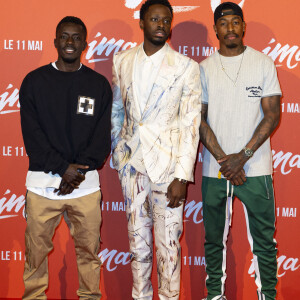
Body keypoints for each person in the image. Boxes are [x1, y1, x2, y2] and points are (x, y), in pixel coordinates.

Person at [111, 0, 201, 299]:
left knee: (169, 249)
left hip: (169, 170)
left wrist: (182, 175)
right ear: (142, 22)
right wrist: (121, 158)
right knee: (138, 247)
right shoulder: (122, 61)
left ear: (170, 24)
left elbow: (190, 125)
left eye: (165, 19)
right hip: (132, 167)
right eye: (154, 19)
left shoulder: (187, 67)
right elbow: (116, 112)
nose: (160, 24)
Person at [19, 16, 112, 299]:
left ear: (85, 43)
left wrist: (76, 174)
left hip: (84, 188)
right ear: (55, 40)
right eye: (64, 37)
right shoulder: (34, 82)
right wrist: (63, 169)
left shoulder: (98, 85)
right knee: (35, 256)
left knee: (89, 254)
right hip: (41, 186)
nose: (70, 43)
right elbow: (33, 138)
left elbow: (101, 139)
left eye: (76, 38)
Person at [199, 2, 281, 300]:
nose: (230, 28)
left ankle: (267, 296)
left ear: (243, 26)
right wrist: (224, 160)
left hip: (256, 168)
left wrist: (243, 156)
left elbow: (272, 115)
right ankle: (214, 296)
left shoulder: (263, 63)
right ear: (216, 28)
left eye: (236, 22)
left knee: (264, 240)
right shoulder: (204, 68)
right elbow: (199, 118)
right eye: (224, 23)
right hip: (214, 169)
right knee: (213, 241)